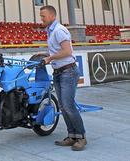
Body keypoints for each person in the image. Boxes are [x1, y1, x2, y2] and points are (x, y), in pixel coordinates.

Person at [39, 5, 87, 151]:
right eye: (40, 16)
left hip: (68, 72)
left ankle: (81, 137)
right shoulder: (50, 31)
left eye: (43, 16)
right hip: (59, 72)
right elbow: (56, 50)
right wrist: (46, 57)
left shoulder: (59, 30)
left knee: (68, 106)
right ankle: (72, 135)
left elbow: (67, 51)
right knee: (63, 106)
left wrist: (50, 58)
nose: (41, 18)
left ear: (52, 16)